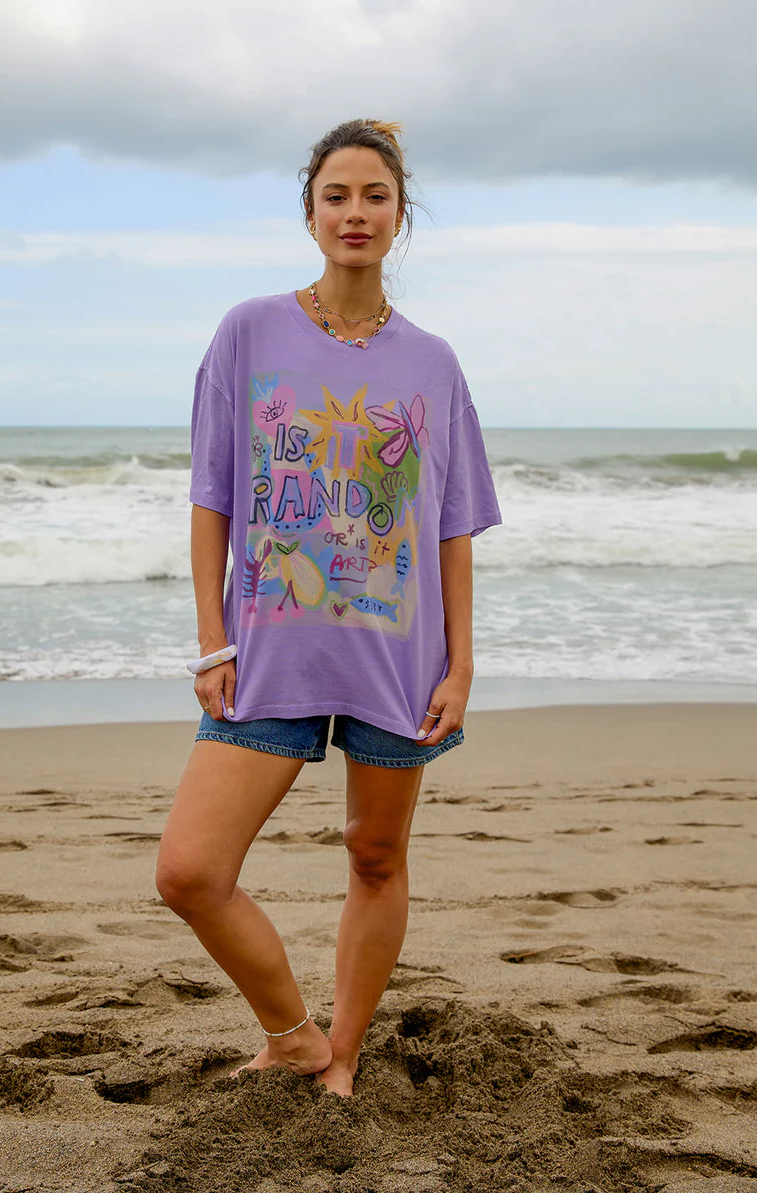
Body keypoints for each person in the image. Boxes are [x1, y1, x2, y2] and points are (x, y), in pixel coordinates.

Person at [155, 118, 501, 1097]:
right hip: (270, 652)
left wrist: (461, 661)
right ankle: (294, 1033)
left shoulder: (433, 363)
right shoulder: (249, 331)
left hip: (399, 658)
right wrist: (212, 639)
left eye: (374, 196)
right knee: (189, 869)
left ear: (399, 214)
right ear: (308, 214)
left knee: (375, 855)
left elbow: (451, 524)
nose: (355, 213)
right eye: (335, 196)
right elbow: (212, 496)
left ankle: (340, 1054)